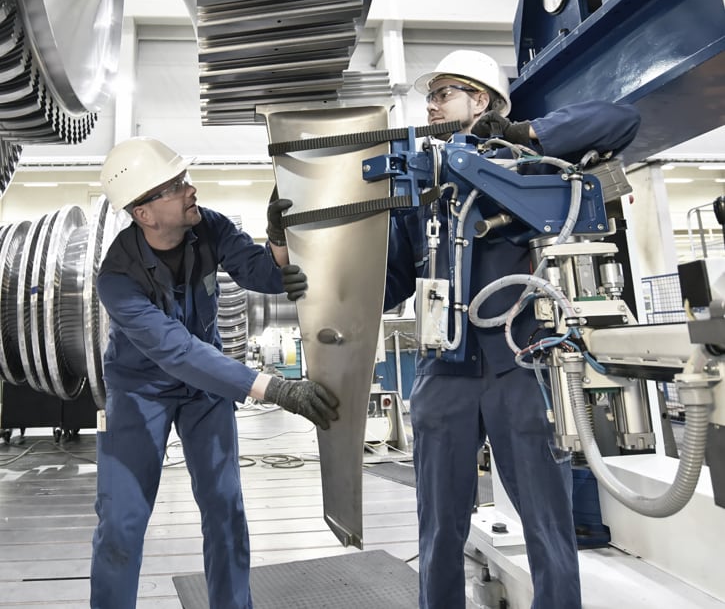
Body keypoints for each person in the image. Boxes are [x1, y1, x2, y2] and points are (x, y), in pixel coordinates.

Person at [385, 50, 641, 609]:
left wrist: (524, 134)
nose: (430, 105)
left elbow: (622, 120)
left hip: (515, 366)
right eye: (429, 96)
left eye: (445, 93)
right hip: (442, 372)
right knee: (438, 531)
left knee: (549, 525)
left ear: (481, 100)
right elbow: (389, 284)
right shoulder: (420, 189)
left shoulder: (524, 170)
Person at [90, 136, 339, 609]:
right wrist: (276, 388)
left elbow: (261, 275)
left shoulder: (209, 227)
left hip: (204, 392)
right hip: (141, 392)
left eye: (184, 178)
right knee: (121, 521)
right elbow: (177, 351)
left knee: (224, 507)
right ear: (144, 212)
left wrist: (281, 241)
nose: (190, 189)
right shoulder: (117, 279)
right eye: (175, 184)